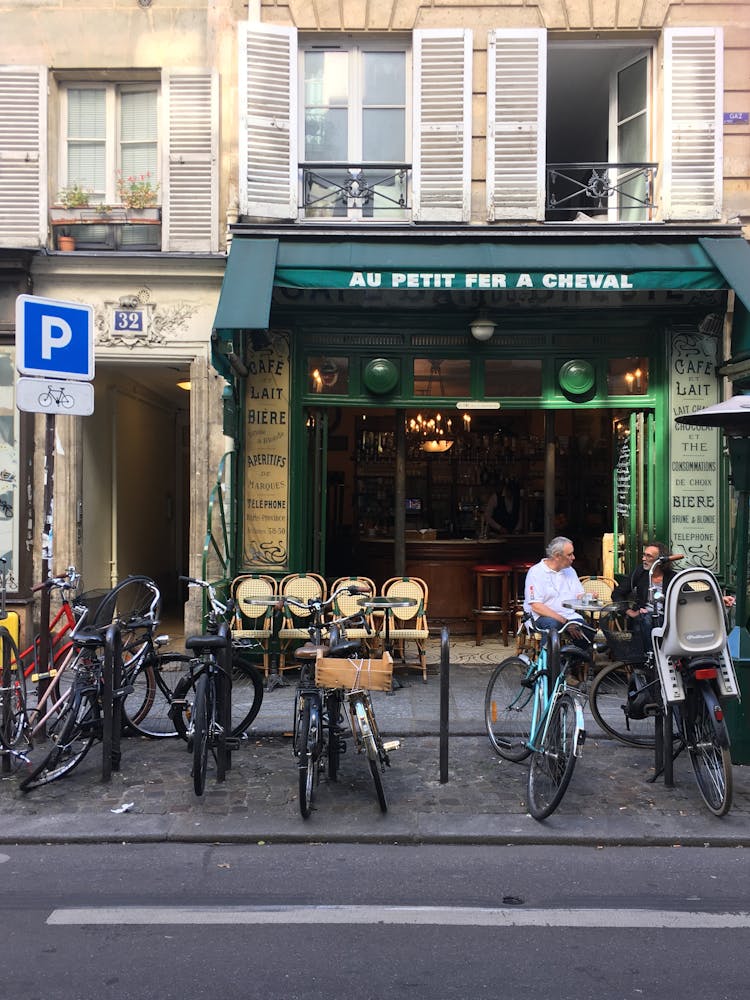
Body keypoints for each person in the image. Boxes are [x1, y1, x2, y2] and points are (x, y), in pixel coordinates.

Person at [523, 536, 588, 643]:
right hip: (541, 617)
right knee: (553, 625)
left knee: (585, 629)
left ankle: (574, 658)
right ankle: (550, 658)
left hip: (568, 615)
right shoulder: (536, 572)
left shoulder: (570, 570)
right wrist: (565, 622)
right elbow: (536, 607)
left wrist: (587, 596)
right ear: (557, 556)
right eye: (569, 554)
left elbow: (578, 595)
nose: (573, 557)